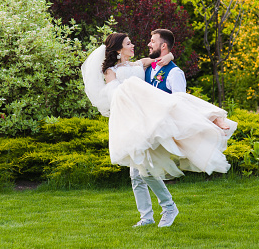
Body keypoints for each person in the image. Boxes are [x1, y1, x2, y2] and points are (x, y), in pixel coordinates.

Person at [81, 30, 237, 228]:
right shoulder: (110, 71)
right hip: (132, 123)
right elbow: (114, 97)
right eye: (129, 44)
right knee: (137, 174)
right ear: (119, 49)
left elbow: (162, 57)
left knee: (142, 172)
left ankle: (168, 207)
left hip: (149, 120)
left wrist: (170, 56)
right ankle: (149, 216)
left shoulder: (139, 64)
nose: (133, 46)